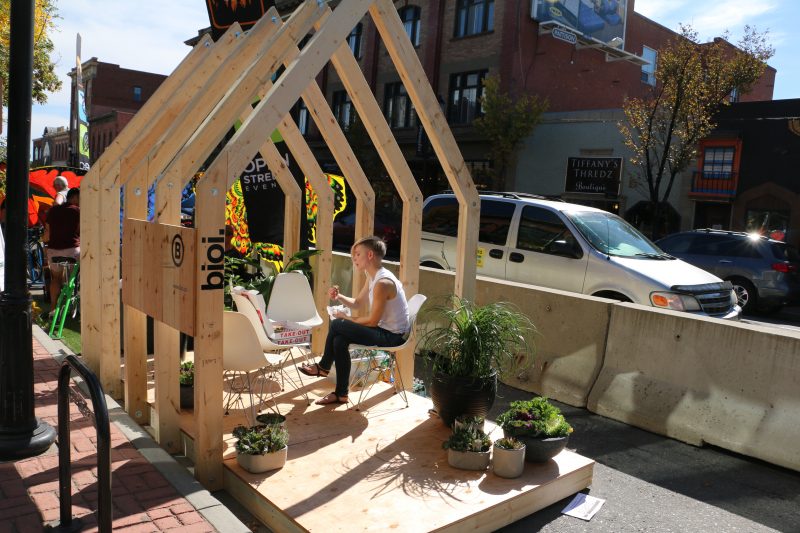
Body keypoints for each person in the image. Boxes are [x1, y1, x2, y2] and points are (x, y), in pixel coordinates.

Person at [299, 236, 410, 405]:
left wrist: (346, 318)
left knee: (337, 324)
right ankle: (341, 394)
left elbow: (372, 321)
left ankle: (323, 367)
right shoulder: (373, 276)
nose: (354, 258)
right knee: (339, 340)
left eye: (357, 254)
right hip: (383, 330)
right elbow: (358, 303)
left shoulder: (383, 282)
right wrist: (339, 297)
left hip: (392, 336)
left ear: (370, 255)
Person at [44, 187, 80, 315]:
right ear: (75, 197)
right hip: (72, 250)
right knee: (76, 275)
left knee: (56, 279)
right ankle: (74, 300)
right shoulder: (77, 211)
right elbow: (82, 231)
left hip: (54, 251)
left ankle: (53, 308)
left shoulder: (52, 211)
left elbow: (47, 233)